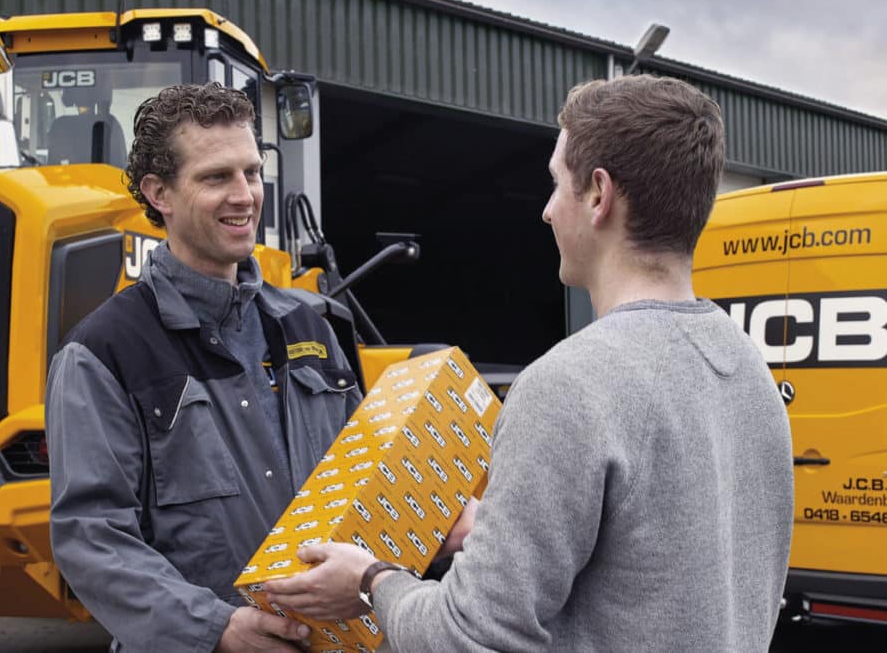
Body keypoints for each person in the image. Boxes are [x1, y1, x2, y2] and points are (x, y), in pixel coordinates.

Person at [264, 75, 794, 651]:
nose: (545, 212)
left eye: (555, 185)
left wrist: (370, 581)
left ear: (599, 195)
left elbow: (471, 635)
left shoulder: (569, 385)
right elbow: (662, 564)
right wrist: (488, 534)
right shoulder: (748, 369)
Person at [46, 82, 362, 653]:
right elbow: (92, 538)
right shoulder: (104, 353)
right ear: (159, 192)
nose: (244, 195)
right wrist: (214, 629)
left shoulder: (309, 329)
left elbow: (365, 482)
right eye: (217, 177)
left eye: (251, 172)